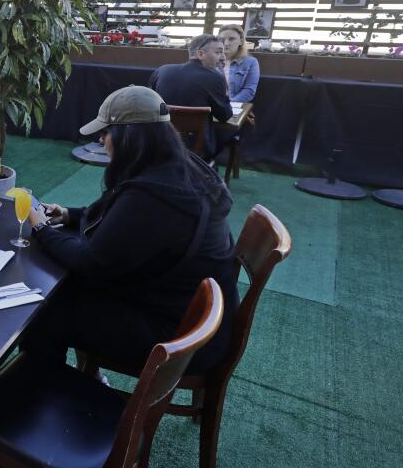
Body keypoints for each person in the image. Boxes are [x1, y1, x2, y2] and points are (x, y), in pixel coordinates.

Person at [22, 86, 238, 375]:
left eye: (106, 132)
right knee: (68, 289)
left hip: (178, 340)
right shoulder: (176, 168)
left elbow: (91, 263)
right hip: (187, 314)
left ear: (129, 137)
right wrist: (71, 215)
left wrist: (41, 228)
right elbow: (126, 224)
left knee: (43, 313)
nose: (101, 140)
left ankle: (40, 398)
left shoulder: (153, 196)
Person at [148, 33, 231, 158]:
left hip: (158, 142)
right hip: (195, 149)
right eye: (218, 52)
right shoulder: (215, 77)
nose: (223, 57)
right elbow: (225, 116)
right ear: (201, 54)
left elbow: (149, 103)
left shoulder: (162, 70)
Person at [218, 26, 260, 103]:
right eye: (222, 39)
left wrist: (228, 106)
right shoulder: (210, 60)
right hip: (211, 107)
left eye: (231, 39)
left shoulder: (250, 62)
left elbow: (249, 90)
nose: (226, 43)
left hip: (235, 107)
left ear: (241, 41)